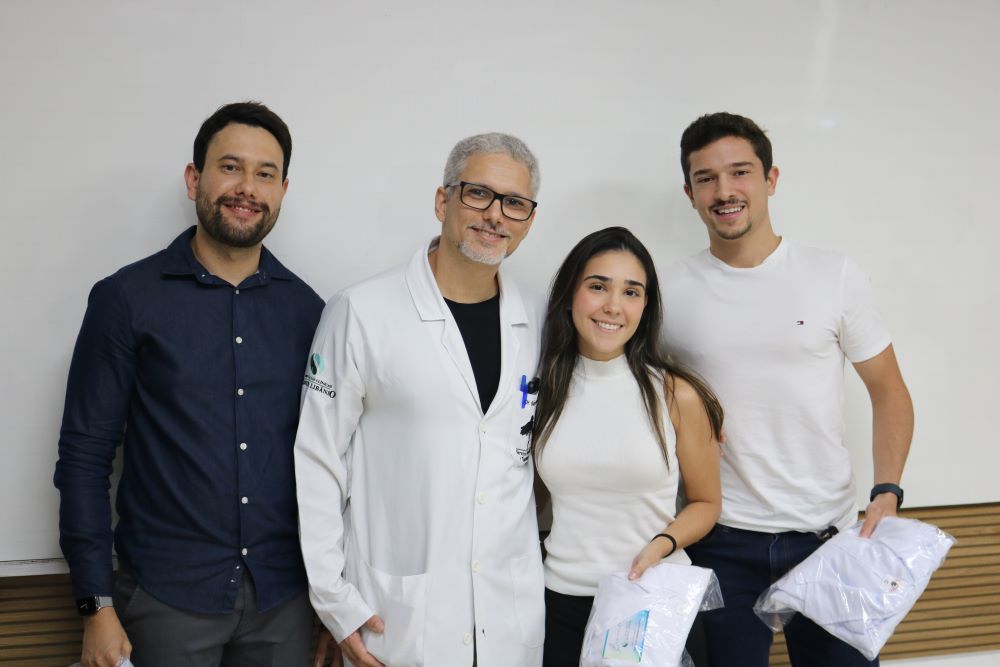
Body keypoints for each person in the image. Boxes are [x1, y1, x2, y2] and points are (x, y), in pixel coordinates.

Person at [53, 102, 324, 667]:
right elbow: (84, 456)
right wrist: (95, 605)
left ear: (282, 191)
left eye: (265, 174)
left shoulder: (310, 312)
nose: (246, 187)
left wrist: (332, 603)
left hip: (284, 600)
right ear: (194, 178)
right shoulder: (126, 299)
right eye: (230, 167)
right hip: (166, 600)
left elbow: (331, 462)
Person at [663, 112, 915, 667]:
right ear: (690, 193)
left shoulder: (834, 275)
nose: (724, 191)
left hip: (827, 539)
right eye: (706, 178)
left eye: (740, 172)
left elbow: (889, 390)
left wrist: (888, 490)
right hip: (719, 543)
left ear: (770, 179)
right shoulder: (666, 293)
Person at [294, 133, 545, 666]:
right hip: (396, 617)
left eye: (515, 203)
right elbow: (317, 460)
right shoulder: (360, 311)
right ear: (442, 201)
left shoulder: (541, 319)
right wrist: (334, 601)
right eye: (478, 193)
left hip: (508, 615)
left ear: (528, 221)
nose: (495, 215)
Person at [532, 226, 723, 666]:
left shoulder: (675, 394)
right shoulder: (543, 390)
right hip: (560, 601)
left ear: (645, 307)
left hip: (651, 599)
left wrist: (661, 544)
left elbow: (707, 502)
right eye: (598, 286)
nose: (613, 306)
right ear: (569, 295)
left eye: (631, 292)